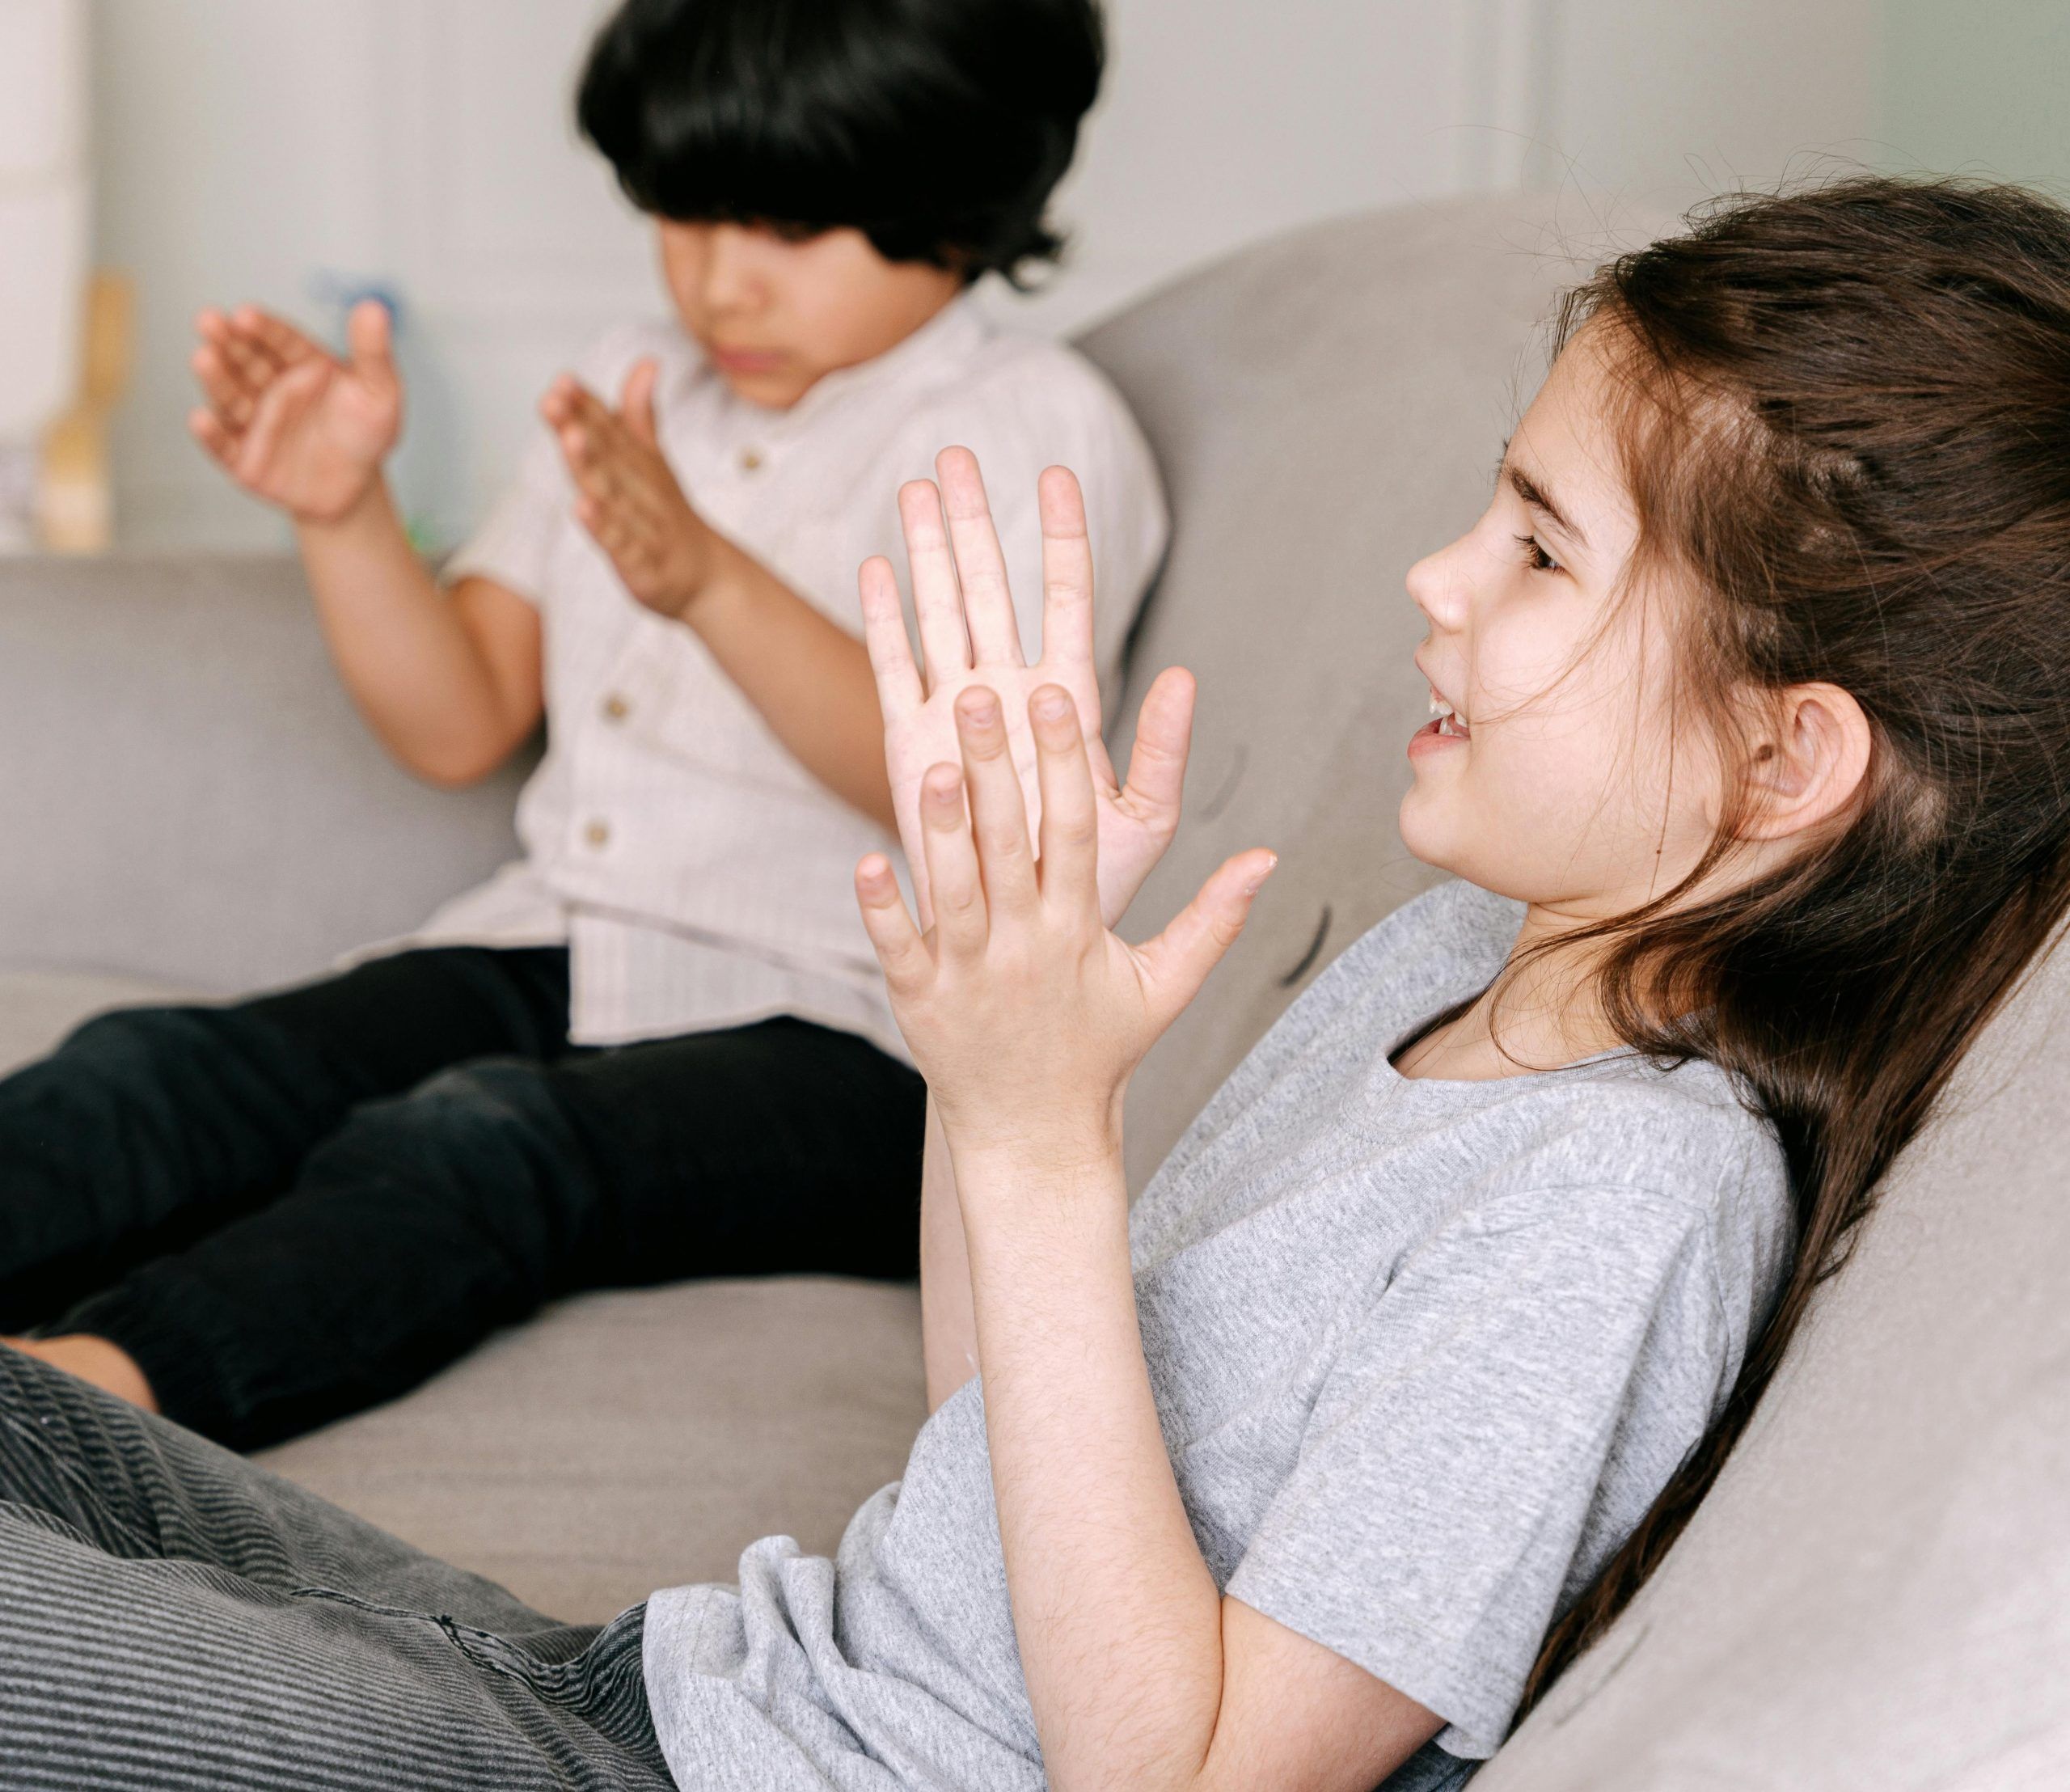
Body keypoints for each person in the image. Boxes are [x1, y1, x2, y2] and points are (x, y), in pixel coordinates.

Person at [6, 176, 2070, 1790]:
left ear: (1787, 754)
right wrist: (983, 1041)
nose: (1436, 580)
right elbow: (990, 1460)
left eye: (1537, 551)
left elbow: (1177, 1772)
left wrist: (1037, 1129)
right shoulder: (1456, 962)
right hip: (669, 1689)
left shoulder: (1618, 1208)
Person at [0, 0, 1167, 1449]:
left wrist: (709, 582)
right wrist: (343, 511)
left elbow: (987, 812)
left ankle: (72, 1412)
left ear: (963, 200)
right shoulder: (636, 381)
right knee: (160, 1071)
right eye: (684, 215)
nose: (719, 286)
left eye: (787, 230)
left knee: (480, 1146)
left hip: (850, 1034)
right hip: (552, 939)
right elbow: (462, 718)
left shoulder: (1029, 426)